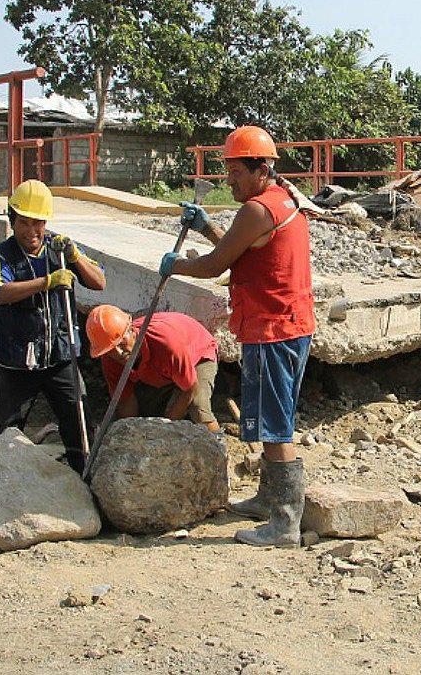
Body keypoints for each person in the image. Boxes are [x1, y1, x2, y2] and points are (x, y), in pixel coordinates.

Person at [160, 125, 315, 548]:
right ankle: (269, 500)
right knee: (271, 414)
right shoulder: (283, 200)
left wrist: (175, 266)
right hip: (287, 324)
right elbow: (240, 250)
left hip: (272, 328)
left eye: (235, 172)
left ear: (260, 168)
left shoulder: (257, 210)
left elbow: (216, 265)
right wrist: (208, 228)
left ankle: (283, 523)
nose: (229, 180)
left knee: (275, 424)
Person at [0, 180, 105, 474]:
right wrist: (47, 282)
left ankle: (85, 479)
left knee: (78, 424)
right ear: (12, 220)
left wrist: (76, 257)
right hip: (17, 363)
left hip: (60, 357)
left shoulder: (60, 250)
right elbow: (2, 292)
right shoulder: (2, 255)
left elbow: (99, 282)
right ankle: (4, 486)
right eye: (25, 223)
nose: (32, 231)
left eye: (38, 223)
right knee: (7, 432)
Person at [86, 304, 220, 432]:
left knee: (198, 409)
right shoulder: (110, 359)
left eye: (121, 343)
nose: (119, 353)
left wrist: (166, 428)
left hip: (198, 355)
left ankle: (218, 445)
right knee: (147, 416)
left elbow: (191, 388)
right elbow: (126, 402)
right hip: (166, 369)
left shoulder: (167, 346)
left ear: (132, 331)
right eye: (110, 349)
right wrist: (132, 435)